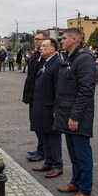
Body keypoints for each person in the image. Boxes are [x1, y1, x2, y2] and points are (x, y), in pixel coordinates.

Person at [53, 28, 96, 196]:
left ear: (74, 39)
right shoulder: (71, 58)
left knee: (82, 153)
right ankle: (76, 183)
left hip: (78, 116)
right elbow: (64, 88)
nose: (61, 41)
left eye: (64, 38)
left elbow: (86, 91)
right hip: (67, 113)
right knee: (73, 153)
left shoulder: (85, 58)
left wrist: (75, 116)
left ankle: (85, 189)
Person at [31, 39, 63, 179]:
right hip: (41, 105)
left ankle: (57, 165)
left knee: (53, 137)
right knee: (44, 135)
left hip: (50, 107)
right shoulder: (46, 62)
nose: (41, 48)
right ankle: (48, 162)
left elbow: (59, 88)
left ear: (52, 49)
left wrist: (57, 108)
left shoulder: (57, 63)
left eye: (44, 46)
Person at [23, 30, 49, 162]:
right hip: (32, 93)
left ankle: (42, 151)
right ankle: (40, 148)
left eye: (38, 39)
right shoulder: (35, 54)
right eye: (35, 39)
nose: (35, 41)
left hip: (39, 95)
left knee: (40, 125)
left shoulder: (45, 56)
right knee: (34, 123)